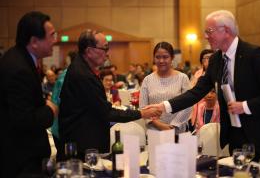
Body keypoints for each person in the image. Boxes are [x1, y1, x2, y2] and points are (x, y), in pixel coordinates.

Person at [145, 10, 260, 160]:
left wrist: (244, 106)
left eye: (209, 31)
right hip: (235, 136)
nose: (206, 36)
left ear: (225, 30)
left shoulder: (254, 54)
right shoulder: (216, 60)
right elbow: (196, 92)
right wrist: (163, 106)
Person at [58, 30, 160, 160]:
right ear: (89, 51)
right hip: (79, 148)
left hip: (78, 141)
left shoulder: (81, 68)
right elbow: (106, 113)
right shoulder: (83, 75)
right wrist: (142, 113)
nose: (107, 54)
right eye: (105, 49)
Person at [0, 11, 58, 177]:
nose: (55, 40)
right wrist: (51, 111)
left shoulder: (21, 58)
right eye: (51, 35)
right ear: (34, 41)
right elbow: (23, 120)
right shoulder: (19, 68)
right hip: (21, 161)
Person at [139, 42, 192, 134]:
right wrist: (159, 124)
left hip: (178, 130)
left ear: (172, 58)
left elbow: (188, 105)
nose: (161, 61)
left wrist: (174, 125)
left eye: (165, 57)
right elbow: (143, 108)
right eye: (158, 57)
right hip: (154, 131)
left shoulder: (182, 78)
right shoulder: (147, 80)